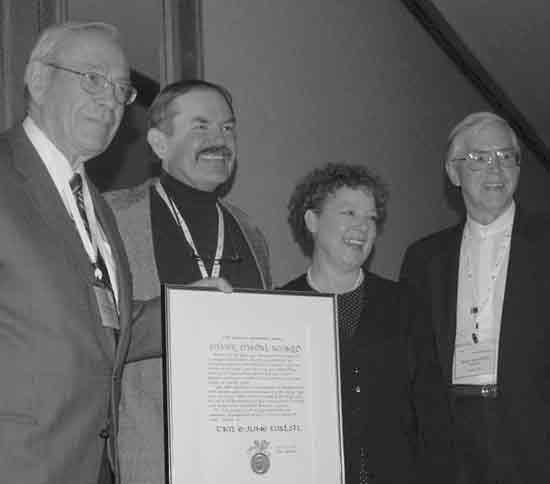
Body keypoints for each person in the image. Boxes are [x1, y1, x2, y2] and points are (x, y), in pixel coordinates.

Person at [104, 79, 272, 483]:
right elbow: (91, 337)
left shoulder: (250, 232)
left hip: (245, 457)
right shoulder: (112, 219)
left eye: (228, 128)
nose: (220, 139)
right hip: (151, 455)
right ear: (160, 144)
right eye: (201, 126)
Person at [400, 112, 550, 483]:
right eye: (479, 158)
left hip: (534, 436)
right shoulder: (423, 258)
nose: (495, 170)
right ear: (454, 172)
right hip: (450, 441)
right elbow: (415, 362)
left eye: (505, 157)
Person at [281, 162, 454, 483]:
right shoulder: (281, 309)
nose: (363, 227)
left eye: (371, 218)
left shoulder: (406, 305)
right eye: (348, 213)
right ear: (312, 220)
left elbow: (434, 416)